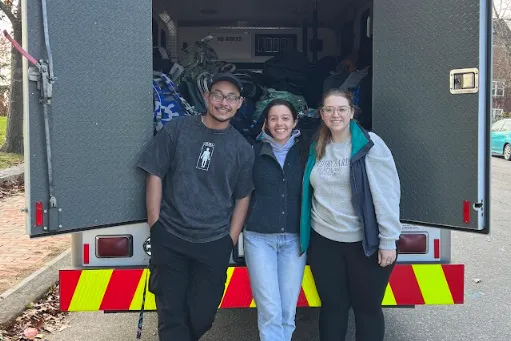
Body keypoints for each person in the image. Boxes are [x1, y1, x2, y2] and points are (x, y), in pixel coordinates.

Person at [137, 73, 255, 341]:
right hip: (171, 237)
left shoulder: (242, 148)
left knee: (202, 316)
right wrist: (155, 224)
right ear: (206, 97)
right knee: (171, 316)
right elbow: (154, 172)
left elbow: (242, 196)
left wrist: (230, 239)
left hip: (213, 242)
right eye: (217, 95)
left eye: (231, 98)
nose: (223, 102)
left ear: (239, 103)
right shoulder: (178, 130)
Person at [299, 89, 402, 341]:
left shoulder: (370, 145)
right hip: (324, 243)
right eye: (329, 110)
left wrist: (388, 241)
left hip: (363, 245)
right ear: (321, 114)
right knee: (333, 309)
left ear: (352, 112)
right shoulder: (317, 146)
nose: (336, 115)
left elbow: (387, 195)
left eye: (342, 109)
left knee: (367, 311)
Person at [243, 99, 308, 341]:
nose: (279, 123)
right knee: (270, 310)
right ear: (266, 124)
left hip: (294, 239)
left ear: (295, 121)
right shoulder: (254, 152)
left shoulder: (307, 151)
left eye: (285, 118)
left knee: (287, 310)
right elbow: (241, 193)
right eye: (273, 118)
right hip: (259, 238)